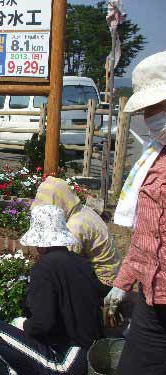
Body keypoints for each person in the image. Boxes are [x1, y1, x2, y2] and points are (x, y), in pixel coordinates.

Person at [0, 205, 104, 375]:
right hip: (91, 357)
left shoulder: (44, 267)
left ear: (39, 242)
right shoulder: (81, 262)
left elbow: (42, 324)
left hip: (68, 363)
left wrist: (22, 324)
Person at [109, 51, 166, 375]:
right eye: (146, 110)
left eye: (156, 107)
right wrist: (123, 284)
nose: (149, 117)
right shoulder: (154, 158)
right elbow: (148, 236)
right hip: (152, 298)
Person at [32, 176, 122, 295]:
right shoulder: (81, 210)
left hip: (104, 282)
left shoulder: (75, 226)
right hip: (111, 273)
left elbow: (64, 263)